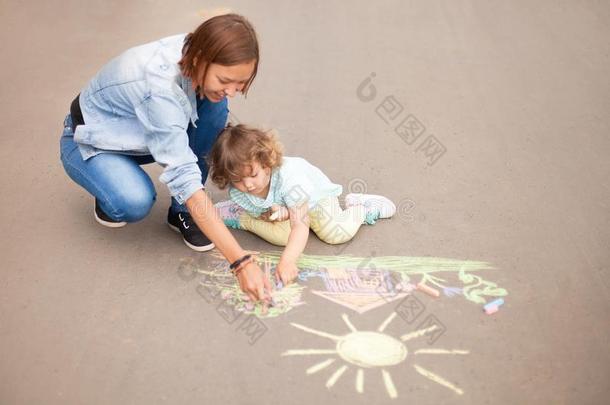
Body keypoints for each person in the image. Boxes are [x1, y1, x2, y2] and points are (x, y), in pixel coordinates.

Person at [59, 14, 271, 301]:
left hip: (140, 132)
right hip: (91, 139)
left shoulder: (199, 49)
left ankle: (182, 213)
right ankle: (109, 190)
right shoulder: (159, 89)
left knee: (216, 108)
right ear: (199, 59)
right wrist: (240, 261)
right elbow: (183, 176)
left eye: (241, 83)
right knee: (132, 201)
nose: (232, 91)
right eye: (225, 80)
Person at [208, 124, 397, 285]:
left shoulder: (291, 179)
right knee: (282, 237)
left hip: (316, 200)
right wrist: (274, 213)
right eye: (238, 180)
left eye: (253, 175)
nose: (247, 185)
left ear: (266, 164)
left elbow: (301, 224)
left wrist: (288, 261)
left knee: (336, 233)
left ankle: (362, 208)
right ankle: (239, 216)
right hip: (287, 206)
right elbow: (263, 212)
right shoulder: (240, 190)